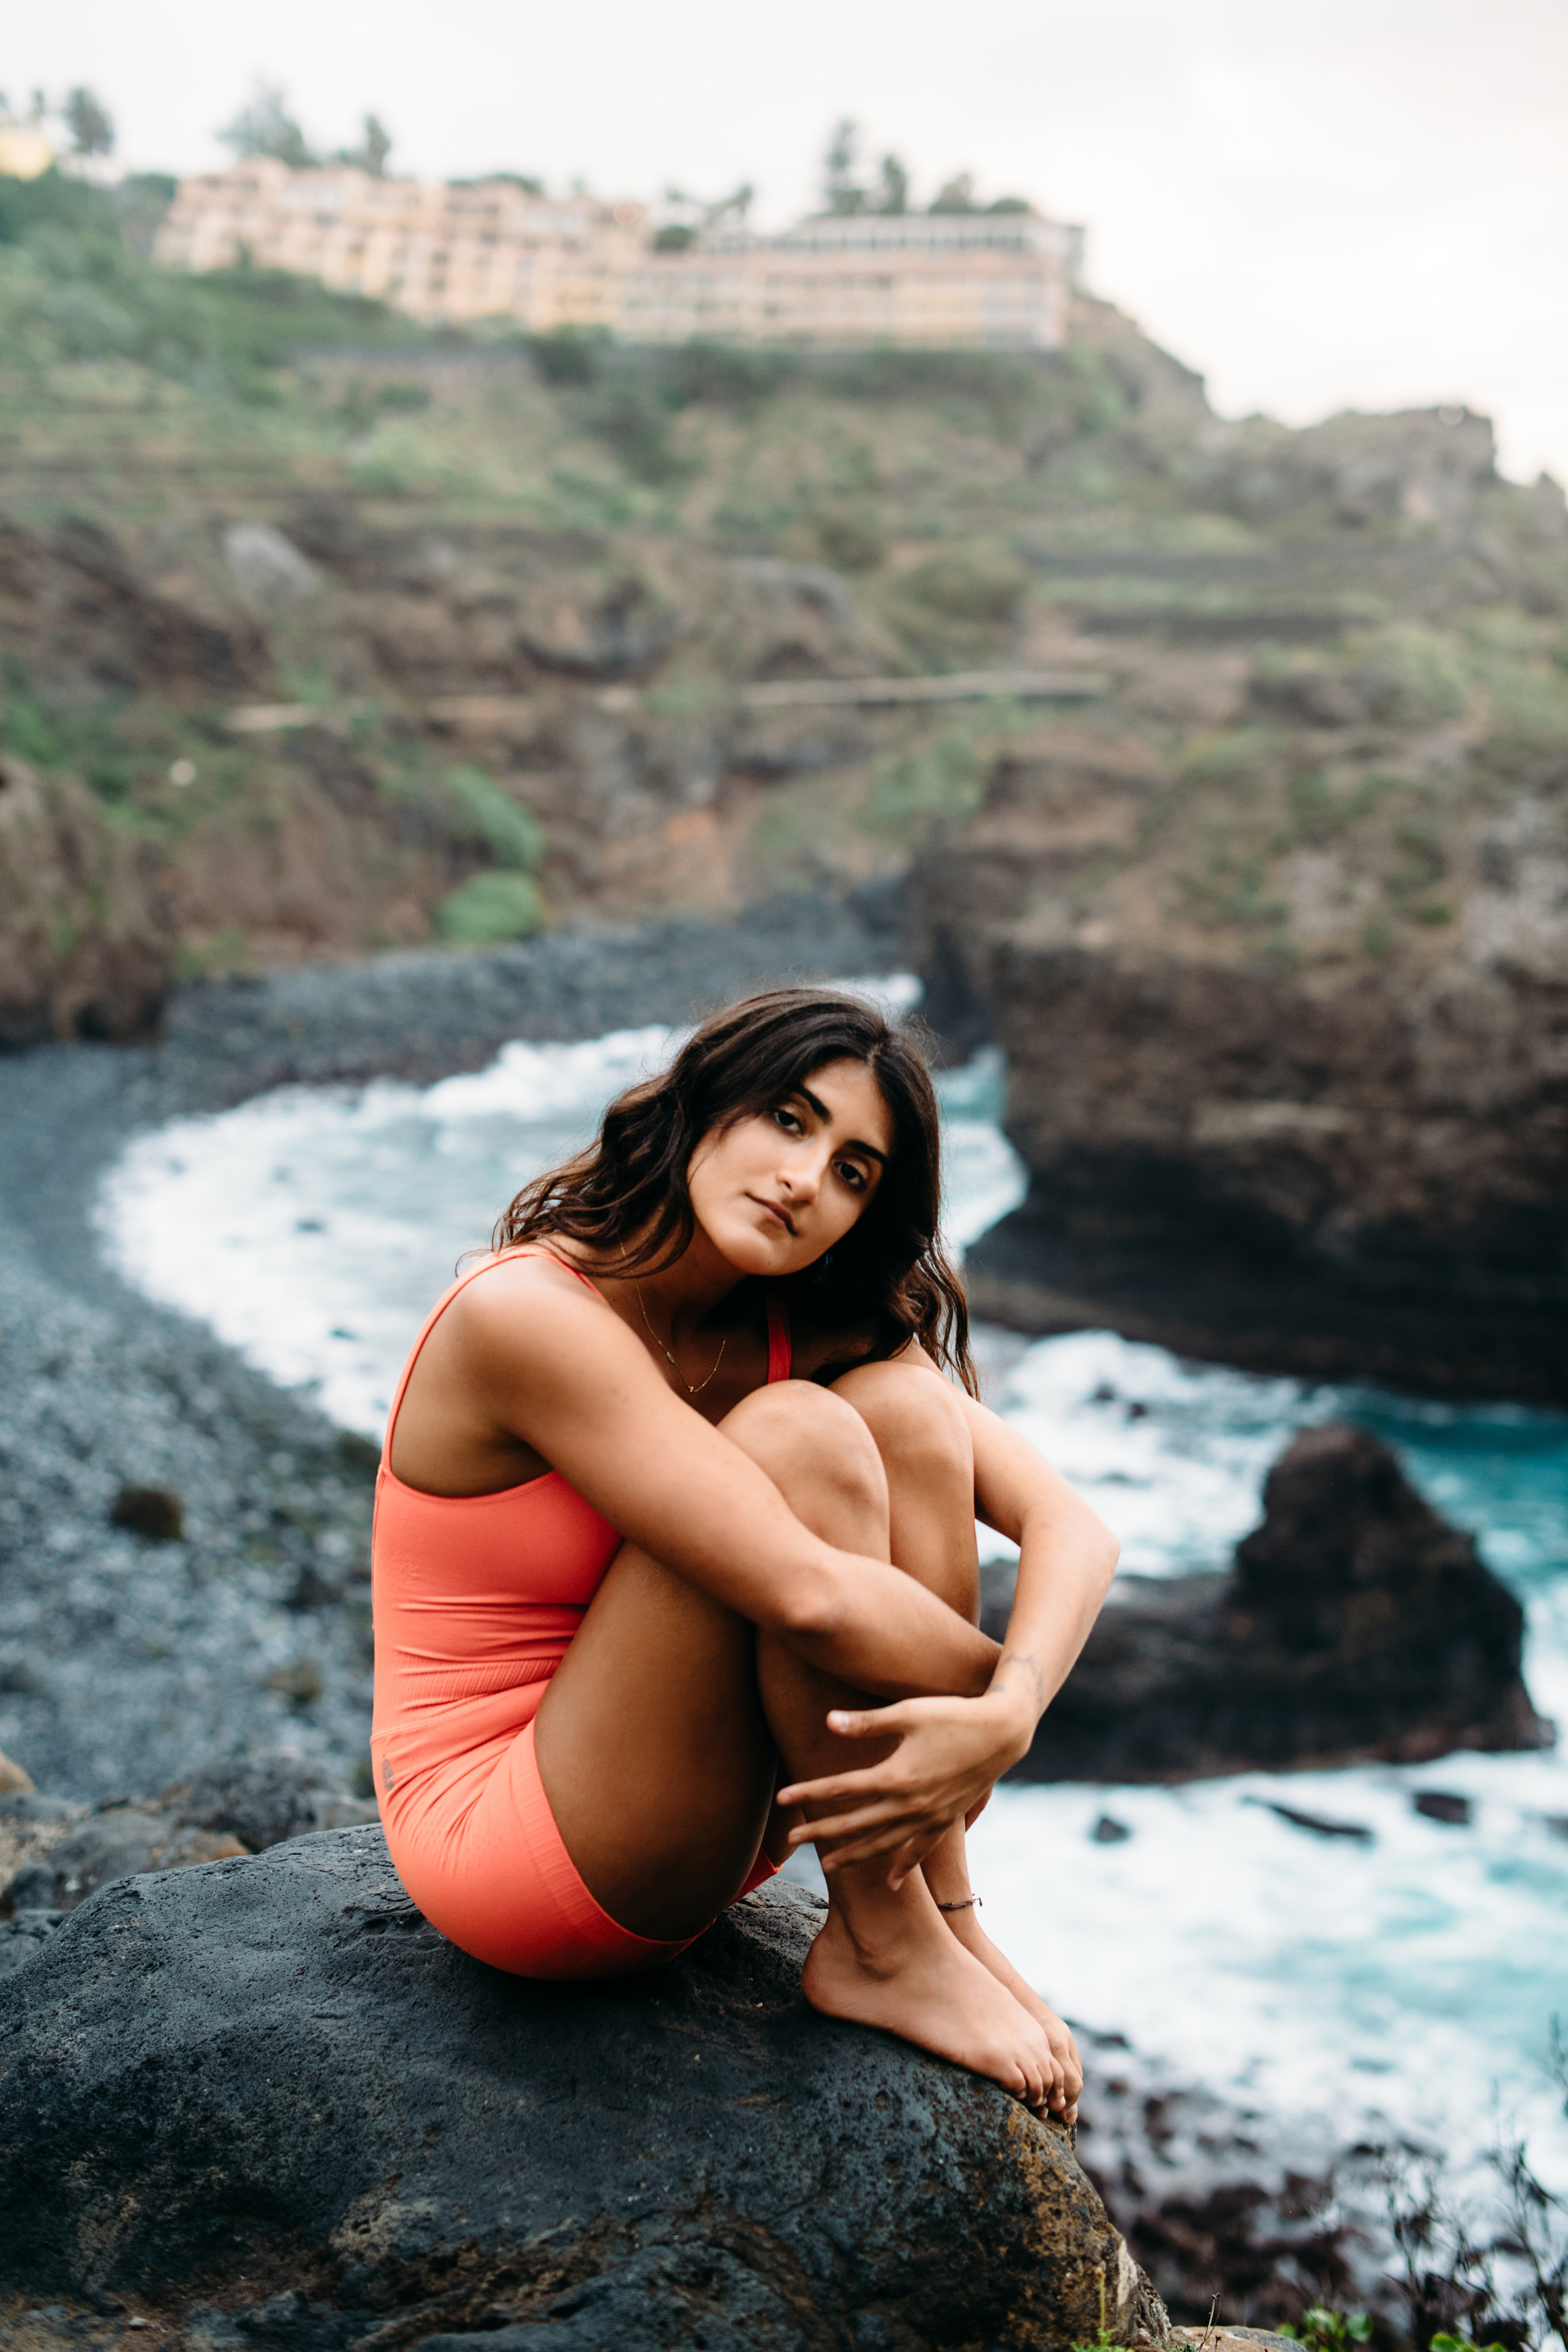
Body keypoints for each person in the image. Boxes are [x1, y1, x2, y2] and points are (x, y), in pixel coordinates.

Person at [371, 988, 1117, 2119]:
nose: (807, 1177)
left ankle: (928, 1918)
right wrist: (994, 1704)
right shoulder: (523, 1314)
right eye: (788, 1117)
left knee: (908, 1419)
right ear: (705, 1101)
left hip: (699, 1804)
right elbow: (811, 1598)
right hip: (513, 1839)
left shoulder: (795, 1322)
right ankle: (878, 1935)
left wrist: (1009, 1708)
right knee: (803, 1436)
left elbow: (1077, 1527)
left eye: (856, 1170)